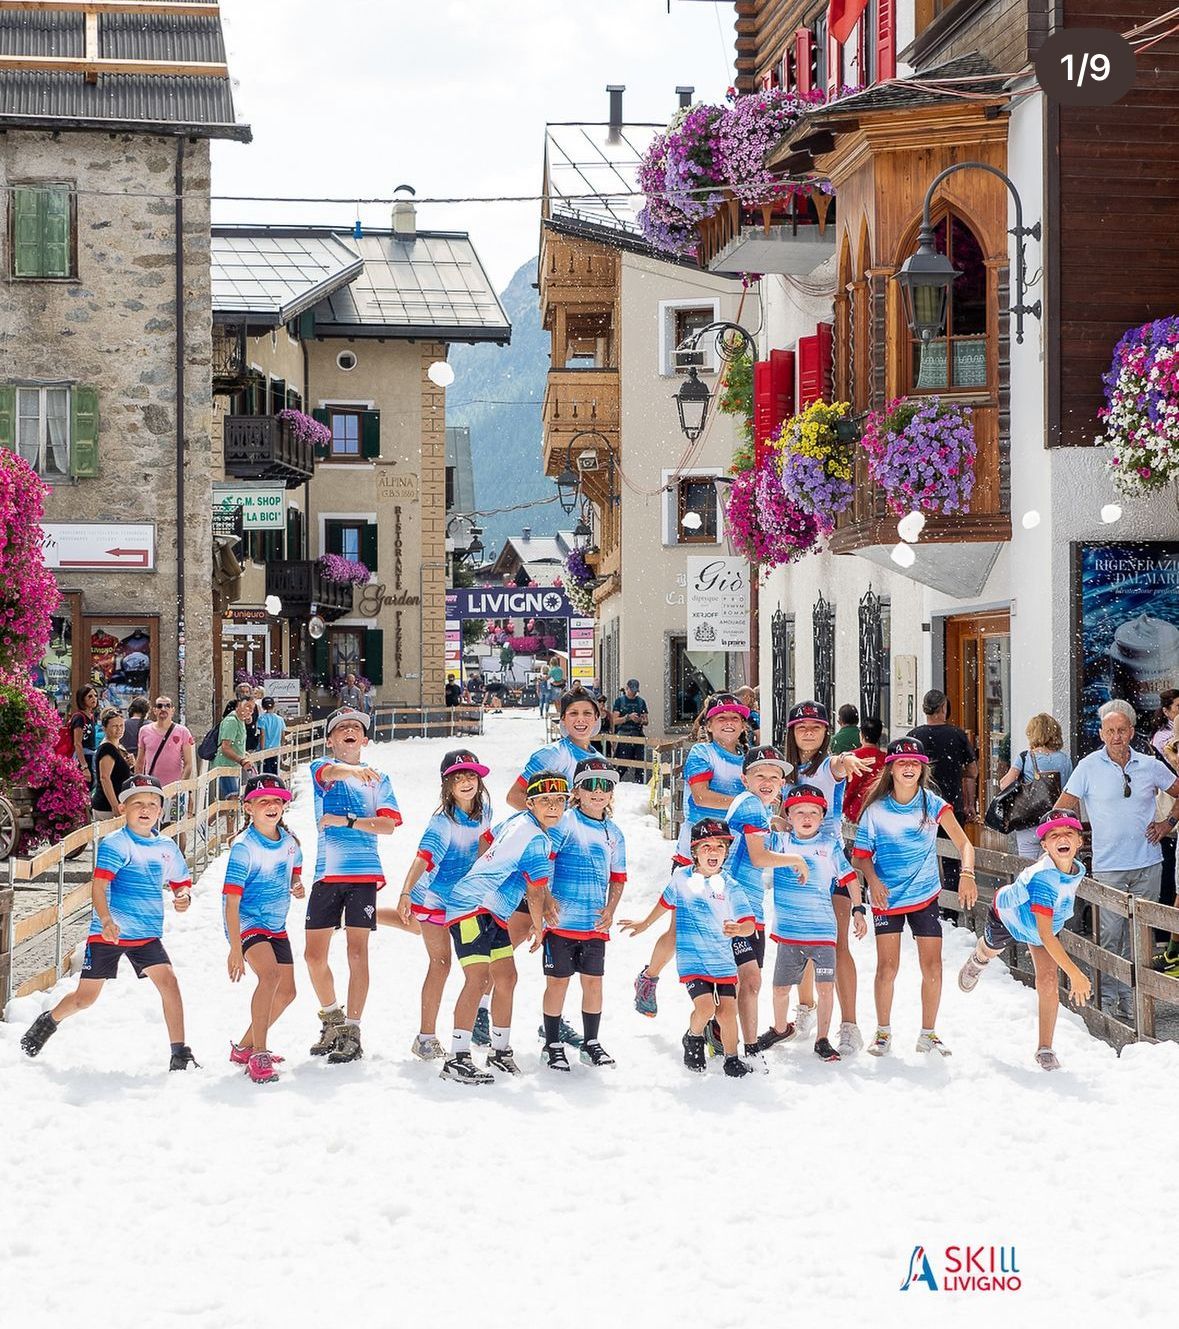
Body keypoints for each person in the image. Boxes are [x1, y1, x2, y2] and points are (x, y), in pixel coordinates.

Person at [19, 774, 197, 1071]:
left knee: (170, 984)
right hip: (108, 933)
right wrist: (106, 920)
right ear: (122, 809)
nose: (145, 809)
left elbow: (181, 881)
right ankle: (48, 1021)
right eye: (137, 803)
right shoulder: (116, 844)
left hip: (146, 934)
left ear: (161, 811)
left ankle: (179, 1053)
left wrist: (184, 896)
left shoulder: (167, 846)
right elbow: (98, 887)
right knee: (84, 999)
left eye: (152, 803)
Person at [1054, 698, 1179, 1020]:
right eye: (1110, 731)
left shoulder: (1149, 765)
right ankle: (1107, 1002)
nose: (1116, 736)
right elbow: (1063, 806)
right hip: (1109, 866)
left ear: (1132, 732)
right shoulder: (1089, 766)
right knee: (1110, 936)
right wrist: (1073, 839)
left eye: (1122, 730)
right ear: (1101, 734)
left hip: (1148, 863)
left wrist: (1167, 824)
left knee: (1141, 938)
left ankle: (1134, 1004)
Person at [439, 771, 567, 1084]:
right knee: (478, 978)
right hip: (470, 906)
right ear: (531, 803)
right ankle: (457, 1057)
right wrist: (538, 927)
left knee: (507, 977)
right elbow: (535, 891)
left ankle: (499, 1051)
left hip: (492, 910)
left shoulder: (518, 822)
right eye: (545, 800)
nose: (553, 807)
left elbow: (487, 840)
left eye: (560, 801)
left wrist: (487, 869)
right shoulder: (537, 838)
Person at [853, 736, 977, 1057]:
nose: (909, 768)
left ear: (923, 769)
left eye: (915, 764)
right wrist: (873, 880)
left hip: (924, 896)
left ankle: (928, 1034)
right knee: (887, 968)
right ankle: (882, 1032)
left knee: (933, 967)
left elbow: (964, 844)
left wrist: (967, 874)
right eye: (902, 763)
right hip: (887, 899)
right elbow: (862, 854)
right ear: (891, 768)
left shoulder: (932, 804)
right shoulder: (876, 811)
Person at [633, 692, 751, 1018]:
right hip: (693, 858)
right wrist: (747, 800)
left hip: (729, 861)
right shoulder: (703, 752)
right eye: (721, 718)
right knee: (678, 933)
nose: (729, 723)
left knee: (724, 934)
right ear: (709, 724)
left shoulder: (747, 759)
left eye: (735, 718)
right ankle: (649, 977)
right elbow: (701, 795)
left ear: (743, 725)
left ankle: (717, 1016)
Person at [620, 818, 755, 1079]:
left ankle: (731, 1058)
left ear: (726, 852)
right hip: (693, 959)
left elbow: (748, 923)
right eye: (706, 846)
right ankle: (693, 1037)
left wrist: (739, 929)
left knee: (728, 1012)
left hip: (722, 961)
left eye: (719, 846)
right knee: (705, 1008)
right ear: (694, 852)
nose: (713, 851)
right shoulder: (682, 878)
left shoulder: (731, 887)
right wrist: (645, 923)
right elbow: (665, 903)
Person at [958, 810, 1092, 1070]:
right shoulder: (1043, 879)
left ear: (1079, 840)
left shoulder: (1076, 867)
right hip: (1009, 918)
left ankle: (1045, 1049)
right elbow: (1044, 934)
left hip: (1041, 925)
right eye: (1053, 835)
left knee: (1048, 980)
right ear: (1044, 845)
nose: (1061, 839)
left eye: (1068, 833)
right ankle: (978, 959)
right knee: (990, 949)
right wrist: (1075, 974)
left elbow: (1045, 929)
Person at [305, 708, 401, 1063]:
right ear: (331, 740)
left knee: (356, 954)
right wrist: (353, 771)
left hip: (363, 873)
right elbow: (330, 772)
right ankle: (332, 1018)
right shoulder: (321, 768)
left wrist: (347, 821)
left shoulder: (380, 779)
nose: (349, 731)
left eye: (356, 728)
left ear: (365, 739)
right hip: (325, 872)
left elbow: (388, 826)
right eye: (341, 727)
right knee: (314, 956)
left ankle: (352, 1029)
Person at [390, 750, 494, 1061]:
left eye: (471, 776)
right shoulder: (442, 822)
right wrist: (406, 892)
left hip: (466, 899)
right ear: (447, 785)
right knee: (441, 965)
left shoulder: (485, 811)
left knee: (483, 966)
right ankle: (425, 1037)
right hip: (433, 897)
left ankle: (477, 1018)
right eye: (458, 777)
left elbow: (485, 847)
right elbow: (423, 858)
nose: (466, 782)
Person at [782, 699, 874, 1047]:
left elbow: (838, 766)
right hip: (795, 865)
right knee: (799, 941)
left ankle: (849, 1023)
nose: (808, 733)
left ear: (826, 733)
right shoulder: (786, 770)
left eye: (816, 727)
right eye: (802, 727)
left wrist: (845, 759)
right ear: (792, 732)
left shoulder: (825, 766)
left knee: (836, 944)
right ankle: (805, 1007)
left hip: (830, 863)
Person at [758, 784, 865, 1062]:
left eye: (814, 812)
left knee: (825, 987)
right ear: (789, 816)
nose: (807, 817)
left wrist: (858, 909)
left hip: (822, 932)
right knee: (780, 988)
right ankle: (781, 1028)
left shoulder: (828, 846)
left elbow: (850, 878)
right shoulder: (780, 843)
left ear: (822, 817)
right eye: (799, 812)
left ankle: (823, 1039)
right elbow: (756, 829)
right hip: (788, 931)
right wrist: (773, 819)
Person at [720, 744, 807, 1070]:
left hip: (749, 904)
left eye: (775, 776)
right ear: (745, 779)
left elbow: (749, 834)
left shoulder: (754, 807)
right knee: (745, 980)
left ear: (783, 783)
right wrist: (795, 860)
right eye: (760, 775)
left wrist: (773, 822)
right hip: (735, 904)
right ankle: (735, 1045)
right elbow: (758, 857)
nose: (768, 781)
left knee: (746, 982)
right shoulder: (752, 807)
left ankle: (742, 1043)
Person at [541, 757, 628, 1071]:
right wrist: (547, 902)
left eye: (605, 785)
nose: (597, 792)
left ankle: (591, 1042)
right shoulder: (564, 821)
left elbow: (618, 877)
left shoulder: (614, 833)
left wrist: (611, 908)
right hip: (561, 922)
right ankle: (552, 1044)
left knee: (594, 984)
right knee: (558, 983)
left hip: (594, 925)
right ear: (576, 791)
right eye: (590, 784)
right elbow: (542, 865)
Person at [223, 773, 305, 1084]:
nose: (271, 806)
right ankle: (259, 1052)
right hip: (247, 922)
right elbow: (231, 900)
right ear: (248, 808)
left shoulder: (290, 843)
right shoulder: (244, 847)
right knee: (269, 976)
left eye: (276, 800)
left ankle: (244, 1047)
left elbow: (295, 873)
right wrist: (234, 947)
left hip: (276, 923)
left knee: (287, 991)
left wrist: (297, 886)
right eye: (263, 801)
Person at [909, 689, 978, 907]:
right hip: (951, 803)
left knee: (920, 855)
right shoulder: (957, 735)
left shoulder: (914, 736)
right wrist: (969, 802)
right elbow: (972, 771)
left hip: (918, 805)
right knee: (952, 858)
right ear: (943, 708)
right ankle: (953, 909)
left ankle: (922, 904)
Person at [506, 690, 600, 811]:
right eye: (573, 713)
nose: (580, 719)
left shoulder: (599, 761)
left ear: (596, 718)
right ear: (563, 719)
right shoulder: (553, 754)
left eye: (587, 713)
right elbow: (514, 797)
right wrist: (552, 821)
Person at [995, 713, 1073, 859]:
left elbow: (1005, 784)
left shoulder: (1025, 757)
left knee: (1028, 869)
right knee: (1054, 868)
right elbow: (1070, 793)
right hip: (1054, 823)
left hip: (1028, 822)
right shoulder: (1065, 760)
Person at [135, 695, 195, 850]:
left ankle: (180, 859)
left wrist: (180, 787)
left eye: (167, 706)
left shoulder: (182, 732)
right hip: (152, 790)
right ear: (154, 710)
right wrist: (138, 784)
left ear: (173, 709)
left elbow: (188, 763)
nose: (163, 709)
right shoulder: (144, 731)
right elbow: (140, 761)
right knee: (151, 824)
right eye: (160, 706)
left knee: (177, 825)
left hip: (175, 790)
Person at [212, 695, 256, 836]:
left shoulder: (240, 721)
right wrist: (241, 760)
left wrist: (243, 756)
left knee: (233, 801)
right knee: (232, 800)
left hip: (233, 767)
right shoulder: (232, 721)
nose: (250, 711)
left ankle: (207, 822)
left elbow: (236, 745)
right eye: (247, 707)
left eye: (252, 708)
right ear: (238, 706)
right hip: (226, 766)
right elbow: (225, 747)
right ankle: (229, 833)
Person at [842, 716, 887, 823]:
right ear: (879, 735)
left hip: (854, 810)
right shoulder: (886, 759)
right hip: (879, 811)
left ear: (861, 734)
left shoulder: (851, 758)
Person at [91, 708, 134, 821]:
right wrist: (115, 806)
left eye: (121, 726)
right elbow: (105, 778)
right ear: (105, 728)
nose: (119, 729)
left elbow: (116, 773)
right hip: (107, 807)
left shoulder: (117, 746)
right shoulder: (107, 748)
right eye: (115, 726)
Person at [611, 679, 650, 784]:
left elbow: (646, 721)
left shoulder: (641, 702)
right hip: (624, 735)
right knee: (622, 764)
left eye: (635, 691)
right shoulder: (620, 701)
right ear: (627, 688)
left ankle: (639, 784)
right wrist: (628, 718)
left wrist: (640, 720)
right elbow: (614, 720)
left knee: (640, 765)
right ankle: (614, 782)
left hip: (637, 735)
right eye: (632, 690)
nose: (633, 693)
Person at [69, 684, 99, 781]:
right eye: (90, 696)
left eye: (95, 696)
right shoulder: (79, 717)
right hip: (82, 758)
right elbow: (77, 743)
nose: (94, 699)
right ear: (82, 699)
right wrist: (84, 767)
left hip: (91, 756)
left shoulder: (92, 716)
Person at [257, 695, 286, 776]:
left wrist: (262, 751)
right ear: (274, 705)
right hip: (276, 749)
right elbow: (282, 736)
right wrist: (282, 750)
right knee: (275, 773)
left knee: (265, 774)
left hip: (266, 749)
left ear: (262, 707)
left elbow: (262, 735)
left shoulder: (261, 719)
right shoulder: (280, 719)